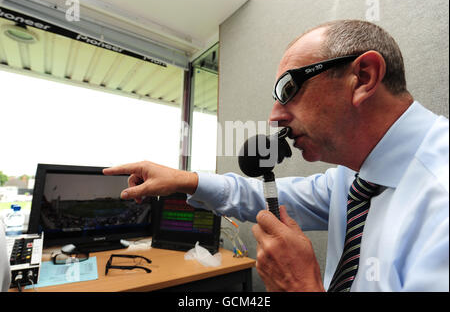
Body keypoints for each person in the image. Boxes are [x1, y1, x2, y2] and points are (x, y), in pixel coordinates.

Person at [103, 20, 449, 292]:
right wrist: (186, 180)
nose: (274, 116)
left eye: (289, 89)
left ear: (363, 77)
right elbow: (264, 197)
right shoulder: (354, 179)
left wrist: (301, 287)